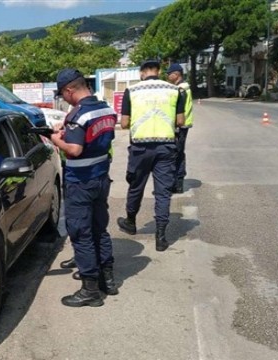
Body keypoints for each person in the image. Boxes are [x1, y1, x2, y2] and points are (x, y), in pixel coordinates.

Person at [49, 68, 118, 307]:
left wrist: (55, 138)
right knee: (100, 228)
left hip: (81, 181)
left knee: (81, 233)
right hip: (101, 176)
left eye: (62, 94)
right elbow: (96, 138)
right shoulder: (106, 109)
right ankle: (107, 279)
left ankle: (90, 289)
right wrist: (68, 130)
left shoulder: (78, 115)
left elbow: (75, 150)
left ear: (69, 90)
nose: (64, 99)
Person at [116, 59, 186, 252]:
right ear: (160, 71)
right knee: (163, 192)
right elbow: (180, 121)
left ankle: (130, 222)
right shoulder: (174, 90)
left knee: (136, 186)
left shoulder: (132, 91)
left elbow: (123, 123)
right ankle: (161, 237)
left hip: (140, 148)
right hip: (166, 146)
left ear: (141, 73)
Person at [166, 63, 193, 193]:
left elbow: (178, 110)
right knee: (179, 153)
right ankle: (178, 182)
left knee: (176, 154)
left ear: (176, 74)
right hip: (182, 125)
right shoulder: (183, 87)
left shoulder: (180, 89)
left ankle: (177, 182)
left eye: (169, 74)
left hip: (179, 126)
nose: (167, 76)